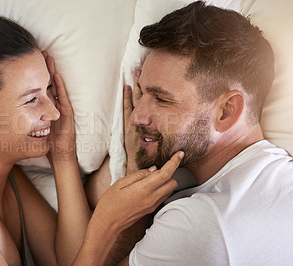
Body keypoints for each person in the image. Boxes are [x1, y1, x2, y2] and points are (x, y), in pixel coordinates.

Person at [0, 0, 183, 265]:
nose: (54, 113)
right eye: (31, 100)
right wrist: (106, 223)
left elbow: (69, 260)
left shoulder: (9, 181)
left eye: (48, 90)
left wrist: (63, 156)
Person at [80, 1, 293, 265]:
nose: (136, 117)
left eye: (162, 99)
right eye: (142, 92)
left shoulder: (201, 223)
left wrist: (105, 222)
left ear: (226, 111)